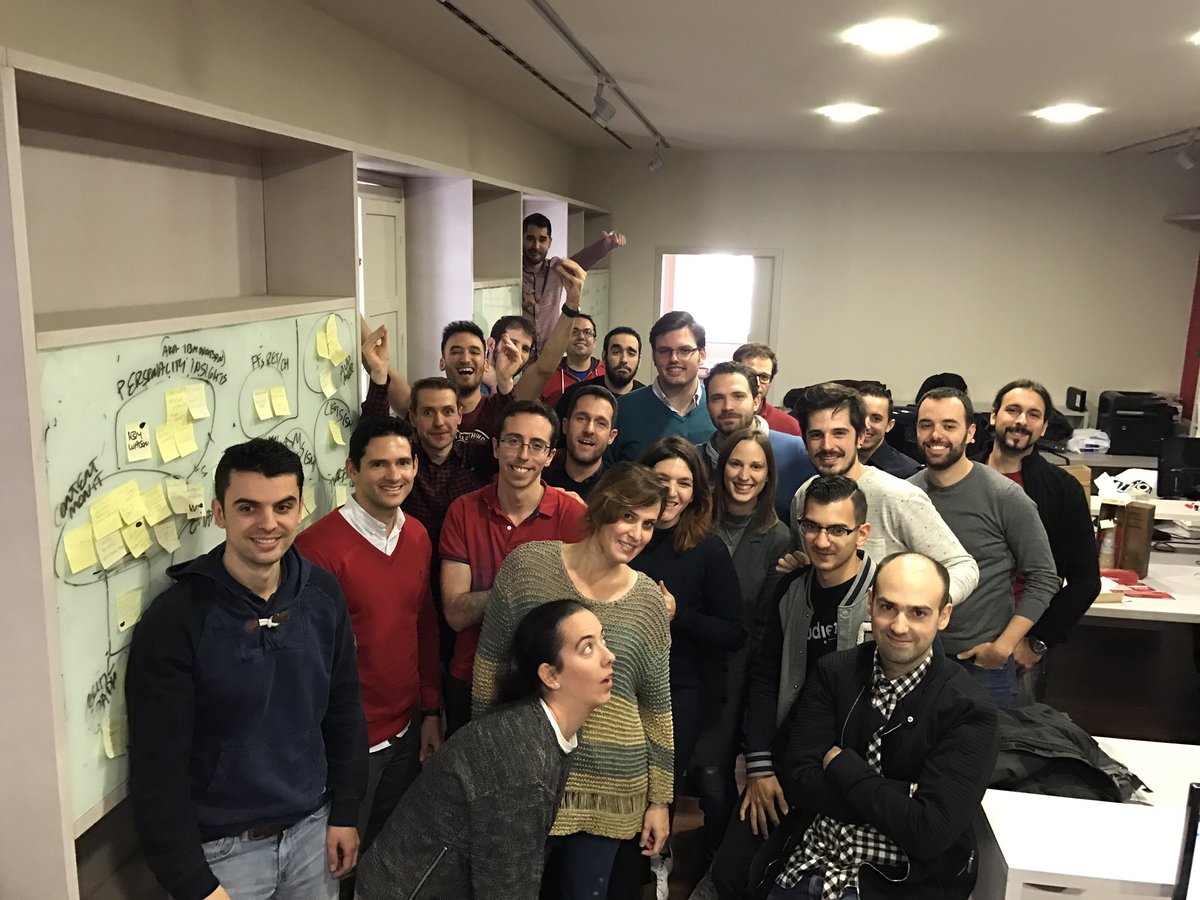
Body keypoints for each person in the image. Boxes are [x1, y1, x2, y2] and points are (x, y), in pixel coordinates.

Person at [127, 439, 367, 900]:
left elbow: (343, 709)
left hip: (312, 835)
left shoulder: (322, 594)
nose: (268, 523)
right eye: (248, 507)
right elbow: (157, 767)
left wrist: (345, 812)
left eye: (283, 506)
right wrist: (193, 883)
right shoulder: (176, 619)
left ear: (301, 509)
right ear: (219, 512)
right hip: (222, 855)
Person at [472, 463, 674, 899]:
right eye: (628, 516)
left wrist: (660, 801)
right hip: (527, 774)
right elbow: (490, 667)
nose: (637, 533)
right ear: (602, 507)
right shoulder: (528, 565)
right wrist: (483, 762)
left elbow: (657, 705)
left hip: (613, 783)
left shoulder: (648, 601)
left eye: (648, 524)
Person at [765, 552, 1000, 900]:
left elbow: (929, 833)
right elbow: (799, 779)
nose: (899, 626)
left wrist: (843, 768)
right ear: (870, 601)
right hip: (812, 860)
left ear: (943, 616)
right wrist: (903, 800)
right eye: (888, 607)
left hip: (900, 881)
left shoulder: (969, 709)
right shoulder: (833, 672)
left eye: (918, 613)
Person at [357, 600, 615, 900]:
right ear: (550, 675)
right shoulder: (522, 761)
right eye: (587, 648)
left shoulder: (542, 727)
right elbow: (506, 890)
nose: (609, 656)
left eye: (603, 640)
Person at [709, 475, 875, 900]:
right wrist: (760, 765)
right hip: (786, 758)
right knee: (733, 872)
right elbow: (765, 678)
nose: (822, 540)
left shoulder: (884, 596)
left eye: (837, 529)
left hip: (851, 771)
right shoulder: (791, 587)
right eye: (812, 526)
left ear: (862, 533)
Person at [293, 416, 441, 860]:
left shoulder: (417, 535)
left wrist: (430, 710)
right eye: (378, 464)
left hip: (407, 731)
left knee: (388, 855)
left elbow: (423, 624)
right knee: (341, 864)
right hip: (350, 744)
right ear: (352, 470)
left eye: (402, 463)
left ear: (415, 467)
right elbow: (308, 664)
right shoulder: (316, 549)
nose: (393, 475)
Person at [440, 400, 588, 735]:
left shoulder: (574, 517)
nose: (523, 455)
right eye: (513, 441)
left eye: (536, 445)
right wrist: (525, 587)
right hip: (470, 675)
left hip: (546, 683)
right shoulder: (463, 511)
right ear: (495, 447)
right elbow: (456, 613)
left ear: (550, 456)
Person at [636, 437, 745, 884]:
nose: (671, 492)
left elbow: (733, 633)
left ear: (697, 491)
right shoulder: (626, 536)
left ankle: (652, 864)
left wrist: (678, 614)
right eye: (662, 479)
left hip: (682, 688)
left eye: (684, 482)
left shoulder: (708, 550)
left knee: (659, 789)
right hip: (621, 682)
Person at [909, 387, 1059, 709]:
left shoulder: (1005, 496)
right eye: (926, 425)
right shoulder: (906, 495)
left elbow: (1044, 577)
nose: (936, 435)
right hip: (913, 662)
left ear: (971, 432)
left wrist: (1003, 646)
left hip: (981, 667)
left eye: (949, 425)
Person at [691, 427, 792, 862]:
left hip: (738, 674)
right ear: (721, 467)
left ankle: (719, 855)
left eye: (756, 466)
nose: (744, 475)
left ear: (768, 476)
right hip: (686, 663)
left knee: (715, 773)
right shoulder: (696, 521)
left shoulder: (779, 538)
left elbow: (766, 625)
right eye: (736, 463)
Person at [788, 383, 979, 605]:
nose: (827, 445)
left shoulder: (898, 496)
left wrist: (919, 607)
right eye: (816, 435)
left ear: (860, 436)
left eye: (839, 433)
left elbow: (962, 566)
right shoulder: (804, 495)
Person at [361, 255, 588, 440]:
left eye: (474, 351)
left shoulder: (502, 407)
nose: (465, 358)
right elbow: (378, 366)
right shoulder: (425, 410)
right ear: (442, 362)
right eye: (456, 351)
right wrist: (352, 302)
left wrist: (571, 304)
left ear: (485, 362)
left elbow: (544, 368)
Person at [979, 379, 1101, 703]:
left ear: (1044, 427)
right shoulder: (960, 474)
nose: (1021, 421)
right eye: (1013, 410)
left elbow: (1085, 580)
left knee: (1016, 730)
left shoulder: (1062, 490)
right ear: (993, 416)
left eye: (1033, 415)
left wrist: (1037, 642)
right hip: (956, 634)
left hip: (1019, 641)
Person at [696, 360, 814, 521]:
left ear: (756, 401)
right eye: (717, 398)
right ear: (707, 405)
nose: (727, 406)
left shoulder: (798, 453)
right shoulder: (695, 461)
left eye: (738, 396)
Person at [610, 311, 716, 462]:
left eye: (684, 350)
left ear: (702, 354)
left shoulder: (719, 409)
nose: (674, 359)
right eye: (664, 351)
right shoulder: (623, 409)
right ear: (654, 356)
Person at [522, 212, 626, 350]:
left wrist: (607, 244)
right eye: (530, 239)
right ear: (522, 239)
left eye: (542, 240)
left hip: (551, 354)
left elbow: (583, 259)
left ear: (549, 242)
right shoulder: (513, 275)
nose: (536, 246)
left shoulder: (557, 269)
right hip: (519, 354)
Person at [555, 325, 645, 424]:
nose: (624, 360)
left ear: (639, 361)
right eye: (616, 352)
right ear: (604, 357)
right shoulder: (575, 394)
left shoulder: (647, 400)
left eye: (631, 354)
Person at [544, 384, 618, 499]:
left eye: (600, 423)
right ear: (565, 426)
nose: (589, 430)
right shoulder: (539, 481)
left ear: (611, 436)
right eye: (582, 418)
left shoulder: (619, 492)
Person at [839, 380, 922, 479]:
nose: (866, 425)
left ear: (889, 425)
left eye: (876, 418)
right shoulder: (833, 461)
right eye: (860, 415)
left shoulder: (907, 472)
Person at [732, 342, 801, 436]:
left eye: (764, 377)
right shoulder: (719, 418)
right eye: (750, 375)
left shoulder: (790, 428)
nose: (757, 384)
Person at [541, 312, 605, 407]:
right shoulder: (547, 374)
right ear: (564, 340)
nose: (581, 337)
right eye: (574, 332)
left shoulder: (605, 372)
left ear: (594, 342)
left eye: (587, 332)